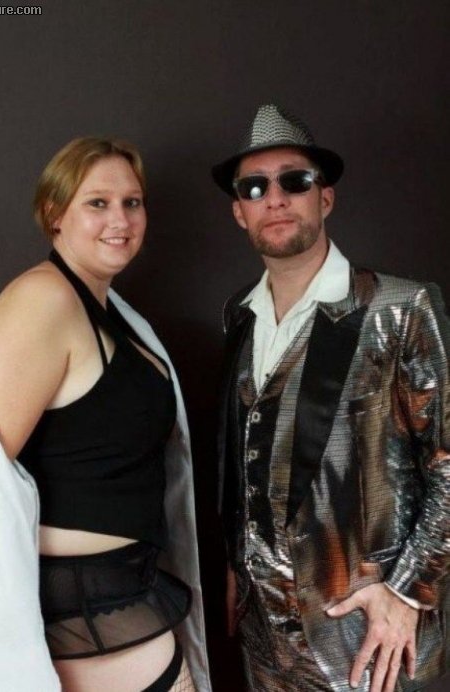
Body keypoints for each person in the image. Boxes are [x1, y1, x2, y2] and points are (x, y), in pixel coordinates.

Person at [0, 137, 211, 692]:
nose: (120, 219)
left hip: (127, 598)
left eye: (132, 202)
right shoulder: (43, 301)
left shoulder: (109, 312)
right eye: (98, 202)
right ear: (55, 214)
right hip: (80, 615)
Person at [212, 104, 450, 692]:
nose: (275, 198)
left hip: (368, 639)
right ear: (239, 211)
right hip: (262, 637)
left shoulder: (400, 308)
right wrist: (238, 560)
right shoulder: (238, 314)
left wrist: (407, 592)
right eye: (255, 187)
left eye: (294, 181)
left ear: (325, 198)